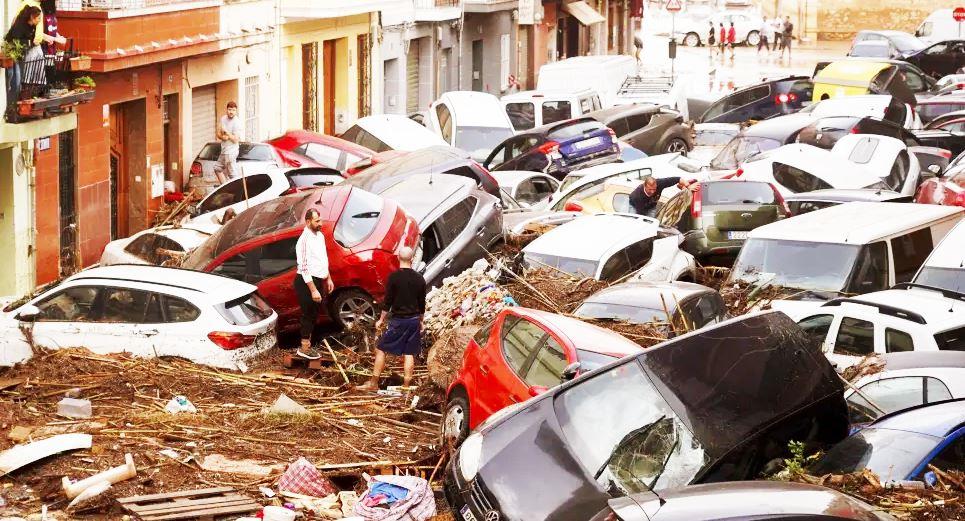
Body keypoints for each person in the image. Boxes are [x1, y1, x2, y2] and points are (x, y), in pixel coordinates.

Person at [358, 247, 426, 391]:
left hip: (398, 321)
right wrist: (421, 322)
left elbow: (387, 302)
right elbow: (422, 304)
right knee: (409, 353)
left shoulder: (394, 278)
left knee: (381, 348)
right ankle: (406, 386)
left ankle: (373, 383)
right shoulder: (420, 279)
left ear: (398, 258)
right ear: (412, 259)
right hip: (413, 320)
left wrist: (381, 320)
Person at [293, 208, 335, 360]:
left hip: (319, 279)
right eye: (317, 221)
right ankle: (304, 348)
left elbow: (323, 259)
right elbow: (304, 268)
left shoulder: (320, 236)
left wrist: (328, 277)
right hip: (306, 282)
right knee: (308, 314)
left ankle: (309, 344)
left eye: (320, 220)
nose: (320, 223)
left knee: (316, 312)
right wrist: (313, 290)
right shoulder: (304, 241)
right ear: (308, 221)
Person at [4, 5, 42, 120]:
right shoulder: (20, 25)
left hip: (21, 54)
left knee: (19, 81)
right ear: (32, 17)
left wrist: (30, 43)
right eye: (38, 18)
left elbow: (30, 40)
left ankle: (14, 108)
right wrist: (30, 43)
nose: (39, 20)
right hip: (12, 53)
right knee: (14, 81)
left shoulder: (33, 27)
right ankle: (10, 110)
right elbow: (15, 39)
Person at [629, 176, 696, 217]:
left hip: (651, 205)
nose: (652, 192)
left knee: (652, 222)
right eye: (650, 189)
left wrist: (688, 186)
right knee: (636, 221)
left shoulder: (660, 183)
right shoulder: (637, 196)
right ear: (645, 186)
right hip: (635, 206)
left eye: (654, 189)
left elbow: (678, 179)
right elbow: (641, 214)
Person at [214, 101, 243, 184]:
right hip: (224, 150)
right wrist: (222, 137)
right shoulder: (223, 118)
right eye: (229, 109)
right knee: (217, 168)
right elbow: (218, 133)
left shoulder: (237, 123)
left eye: (233, 110)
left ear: (236, 111)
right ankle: (225, 188)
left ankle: (238, 191)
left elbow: (235, 139)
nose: (231, 112)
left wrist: (227, 133)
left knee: (232, 174)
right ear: (226, 110)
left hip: (231, 151)